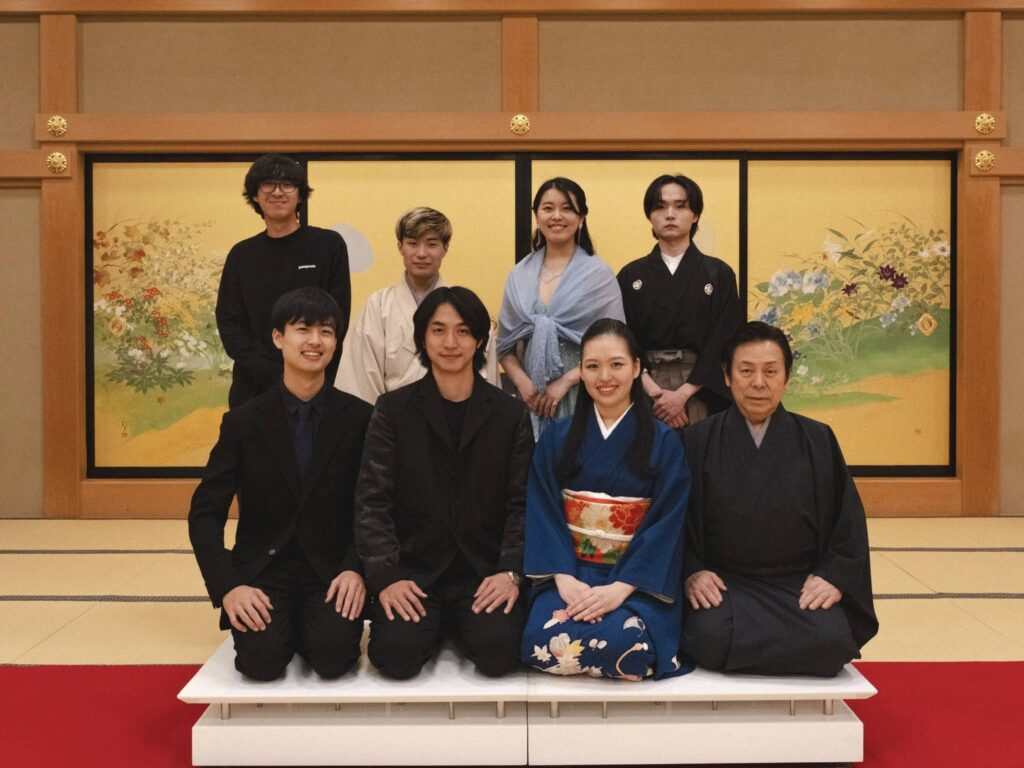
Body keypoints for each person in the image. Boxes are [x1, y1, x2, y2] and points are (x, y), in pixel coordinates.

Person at [189, 287, 372, 681]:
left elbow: (375, 508)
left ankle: (309, 628)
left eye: (326, 331)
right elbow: (205, 513)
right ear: (278, 337)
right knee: (261, 662)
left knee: (333, 658)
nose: (315, 341)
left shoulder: (360, 418)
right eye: (303, 329)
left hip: (331, 569)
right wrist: (228, 586)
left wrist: (355, 569)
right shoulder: (243, 422)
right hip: (263, 568)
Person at [355, 286, 534, 679]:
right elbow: (372, 501)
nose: (450, 342)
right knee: (395, 658)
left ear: (480, 340)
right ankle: (437, 626)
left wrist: (510, 572)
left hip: (483, 571)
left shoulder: (510, 414)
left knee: (500, 654)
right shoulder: (393, 410)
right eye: (438, 330)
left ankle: (458, 626)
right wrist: (386, 576)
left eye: (463, 331)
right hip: (415, 572)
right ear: (422, 338)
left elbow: (522, 503)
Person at [681, 321, 878, 677]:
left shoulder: (818, 439)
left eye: (770, 371)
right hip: (726, 585)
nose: (758, 382)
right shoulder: (697, 440)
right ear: (726, 376)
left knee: (834, 639)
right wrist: (692, 570)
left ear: (787, 378)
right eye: (746, 371)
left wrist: (832, 577)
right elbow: (673, 519)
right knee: (708, 636)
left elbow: (847, 522)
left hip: (798, 585)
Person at [521, 319, 691, 680]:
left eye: (616, 364)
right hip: (570, 572)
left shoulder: (664, 441)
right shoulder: (558, 437)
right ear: (581, 372)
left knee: (622, 643)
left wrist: (619, 588)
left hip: (633, 578)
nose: (605, 377)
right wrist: (564, 578)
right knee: (539, 640)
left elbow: (667, 522)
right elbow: (543, 509)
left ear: (637, 368)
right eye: (593, 366)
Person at [217, 153, 351, 409]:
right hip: (253, 387)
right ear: (255, 196)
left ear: (300, 195)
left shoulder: (328, 245)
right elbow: (230, 324)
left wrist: (304, 372)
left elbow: (338, 316)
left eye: (287, 185)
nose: (277, 192)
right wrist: (274, 374)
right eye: (268, 184)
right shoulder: (242, 255)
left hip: (313, 381)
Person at [497, 177, 625, 438]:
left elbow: (615, 342)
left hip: (586, 391)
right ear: (537, 216)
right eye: (548, 208)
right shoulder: (519, 274)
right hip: (531, 399)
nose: (557, 216)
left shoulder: (598, 274)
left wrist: (566, 381)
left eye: (567, 208)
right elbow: (503, 345)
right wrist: (524, 385)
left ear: (582, 217)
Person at [617, 174, 743, 428]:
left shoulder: (719, 274)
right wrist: (653, 391)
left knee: (700, 449)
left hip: (701, 389)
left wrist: (684, 393)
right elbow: (621, 338)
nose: (670, 214)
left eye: (680, 206)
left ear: (695, 214)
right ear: (649, 216)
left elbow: (725, 338)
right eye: (660, 207)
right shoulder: (631, 276)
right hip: (645, 387)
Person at [336, 206, 497, 404]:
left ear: (445, 248)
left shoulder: (465, 308)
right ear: (400, 246)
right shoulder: (378, 306)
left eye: (431, 244)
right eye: (412, 243)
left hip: (459, 415)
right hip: (392, 417)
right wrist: (380, 418)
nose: (421, 253)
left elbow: (485, 379)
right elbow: (360, 380)